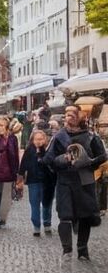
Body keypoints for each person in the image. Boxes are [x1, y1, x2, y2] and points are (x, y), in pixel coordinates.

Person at [43, 105, 105, 261]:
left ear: (79, 117)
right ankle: (67, 250)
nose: (67, 117)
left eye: (71, 114)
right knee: (65, 215)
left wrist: (88, 162)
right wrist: (64, 159)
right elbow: (48, 160)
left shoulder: (91, 136)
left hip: (85, 180)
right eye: (66, 114)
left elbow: (102, 156)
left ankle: (83, 250)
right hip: (65, 180)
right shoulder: (59, 137)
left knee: (85, 216)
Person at [20, 128, 53, 237]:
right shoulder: (29, 150)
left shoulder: (48, 150)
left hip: (46, 181)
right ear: (32, 140)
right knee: (34, 204)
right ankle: (36, 226)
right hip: (33, 181)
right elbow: (23, 164)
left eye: (41, 139)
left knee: (46, 204)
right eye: (36, 139)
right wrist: (20, 177)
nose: (39, 141)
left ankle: (47, 223)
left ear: (45, 139)